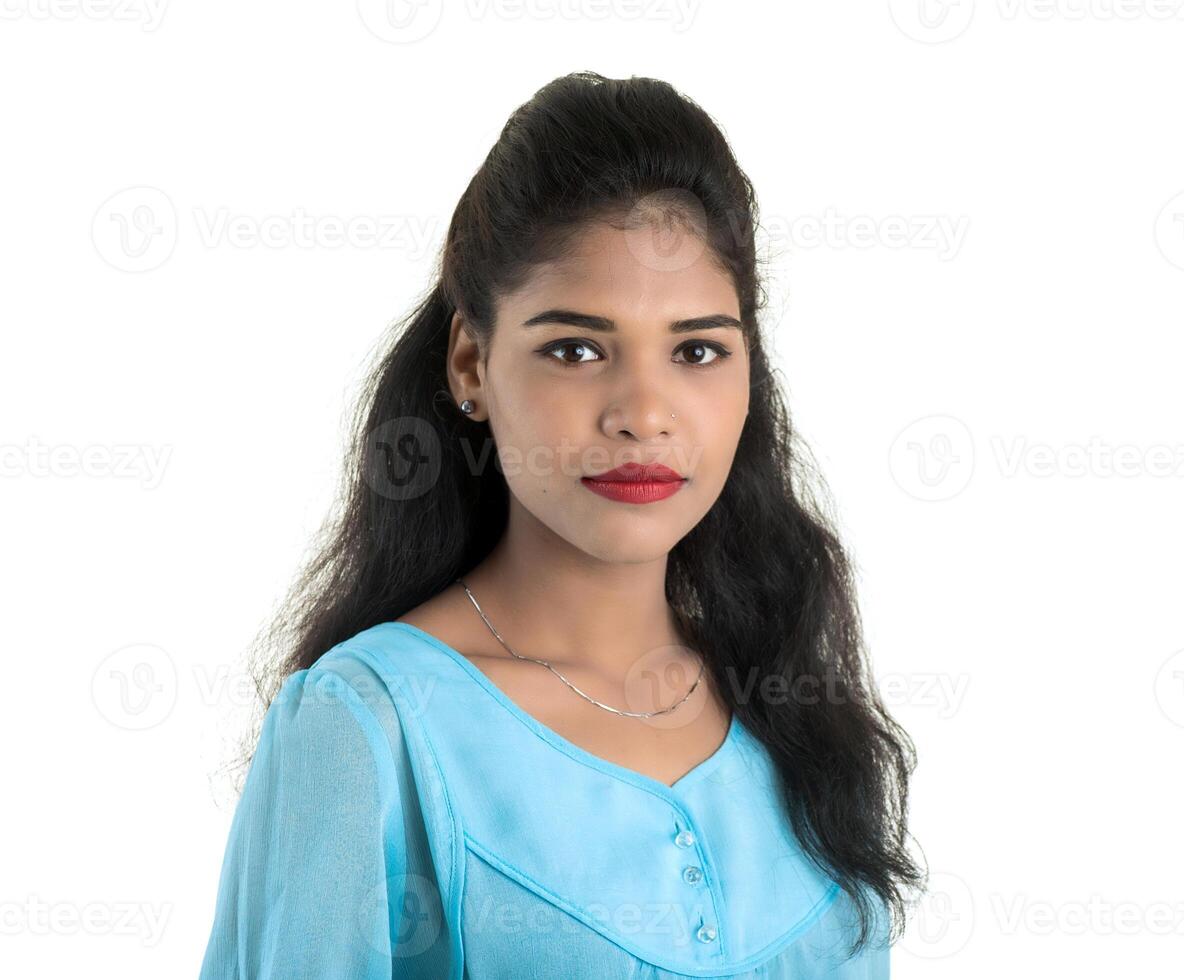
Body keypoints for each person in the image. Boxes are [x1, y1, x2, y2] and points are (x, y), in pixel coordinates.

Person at [198, 70, 923, 978]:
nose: (644, 413)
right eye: (576, 350)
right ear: (471, 363)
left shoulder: (790, 705)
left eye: (698, 350)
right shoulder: (372, 726)